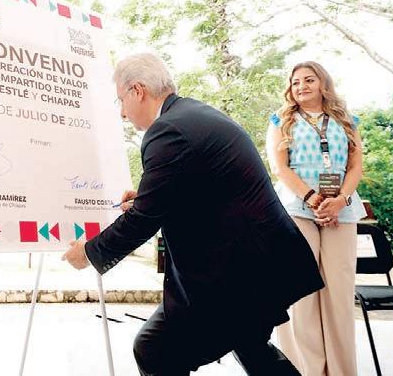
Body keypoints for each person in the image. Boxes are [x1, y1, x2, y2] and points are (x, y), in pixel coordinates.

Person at [63, 53, 323, 376]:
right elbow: (201, 190)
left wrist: (89, 252)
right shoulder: (192, 115)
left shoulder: (167, 130)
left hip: (238, 275)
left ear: (138, 91)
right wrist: (148, 198)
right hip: (262, 264)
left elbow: (143, 220)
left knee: (155, 348)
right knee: (251, 344)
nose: (122, 113)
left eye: (121, 101)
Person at [267, 61, 365, 375]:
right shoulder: (281, 120)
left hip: (342, 209)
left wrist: (340, 200)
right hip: (297, 209)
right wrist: (312, 198)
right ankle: (305, 370)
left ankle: (341, 371)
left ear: (323, 83)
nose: (301, 86)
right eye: (295, 82)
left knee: (339, 295)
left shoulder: (347, 119)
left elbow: (355, 166)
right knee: (302, 295)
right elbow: (280, 168)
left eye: (309, 80)